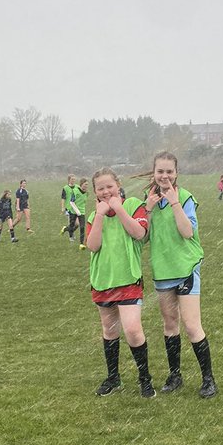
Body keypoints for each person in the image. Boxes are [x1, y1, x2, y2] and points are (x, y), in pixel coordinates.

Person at [143, 152, 218, 399]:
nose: (164, 176)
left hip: (185, 269)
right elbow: (142, 238)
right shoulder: (150, 200)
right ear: (154, 173)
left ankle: (209, 379)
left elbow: (187, 232)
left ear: (176, 173)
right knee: (169, 325)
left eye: (169, 172)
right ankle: (175, 375)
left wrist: (174, 202)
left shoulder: (185, 198)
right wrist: (148, 210)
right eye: (160, 171)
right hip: (163, 271)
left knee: (192, 325)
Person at [85, 168, 155, 398]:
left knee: (133, 330)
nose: (106, 192)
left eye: (109, 186)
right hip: (103, 280)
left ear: (118, 184)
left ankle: (145, 378)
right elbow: (93, 246)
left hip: (128, 279)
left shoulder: (133, 204)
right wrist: (100, 215)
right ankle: (113, 377)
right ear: (94, 192)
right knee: (110, 329)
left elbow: (138, 233)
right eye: (100, 188)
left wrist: (118, 208)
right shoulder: (94, 214)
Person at [71, 177, 89, 247]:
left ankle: (81, 244)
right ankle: (67, 229)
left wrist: (81, 211)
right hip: (74, 211)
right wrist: (77, 211)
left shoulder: (87, 193)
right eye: (85, 184)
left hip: (82, 212)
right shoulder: (75, 191)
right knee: (73, 225)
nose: (86, 186)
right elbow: (71, 202)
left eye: (87, 185)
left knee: (82, 227)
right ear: (81, 184)